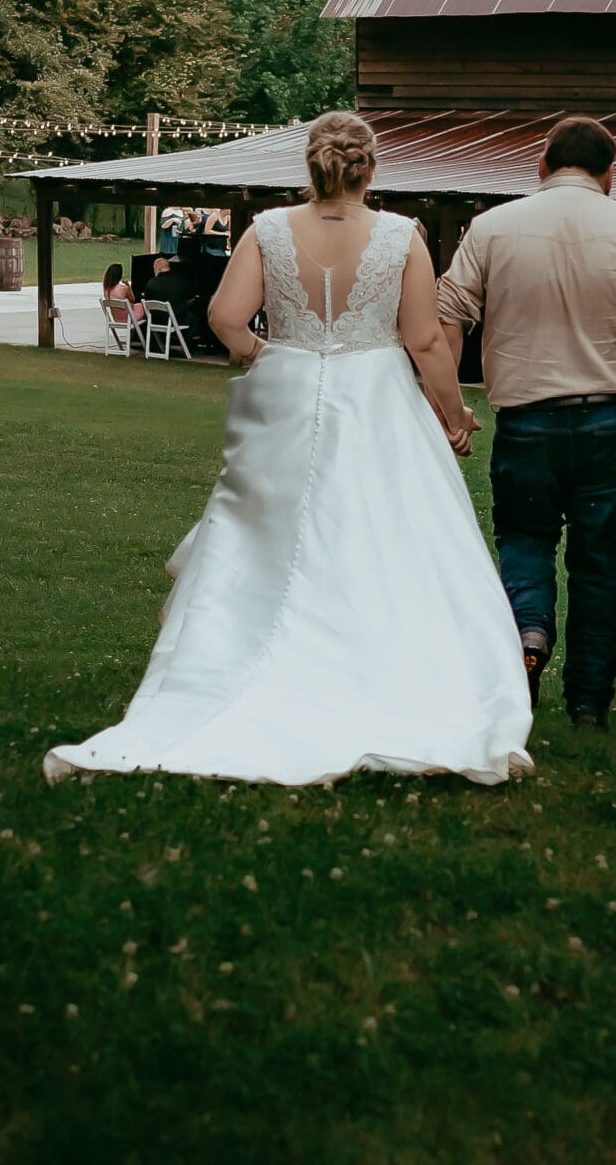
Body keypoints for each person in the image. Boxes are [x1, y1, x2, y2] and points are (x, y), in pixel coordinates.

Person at [46, 112, 531, 787]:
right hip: (378, 401)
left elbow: (224, 317)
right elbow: (424, 341)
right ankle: (380, 676)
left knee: (267, 537)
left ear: (311, 166)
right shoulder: (401, 237)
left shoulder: (268, 230)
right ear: (371, 169)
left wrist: (268, 355)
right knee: (387, 536)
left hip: (289, 394)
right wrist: (455, 415)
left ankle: (239, 670)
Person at [436, 115, 616, 730]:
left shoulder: (492, 229)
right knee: (599, 563)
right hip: (610, 423)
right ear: (611, 175)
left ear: (541, 165)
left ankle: (529, 635)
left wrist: (448, 406)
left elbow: (448, 318)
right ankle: (588, 705)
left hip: (526, 420)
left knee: (524, 541)